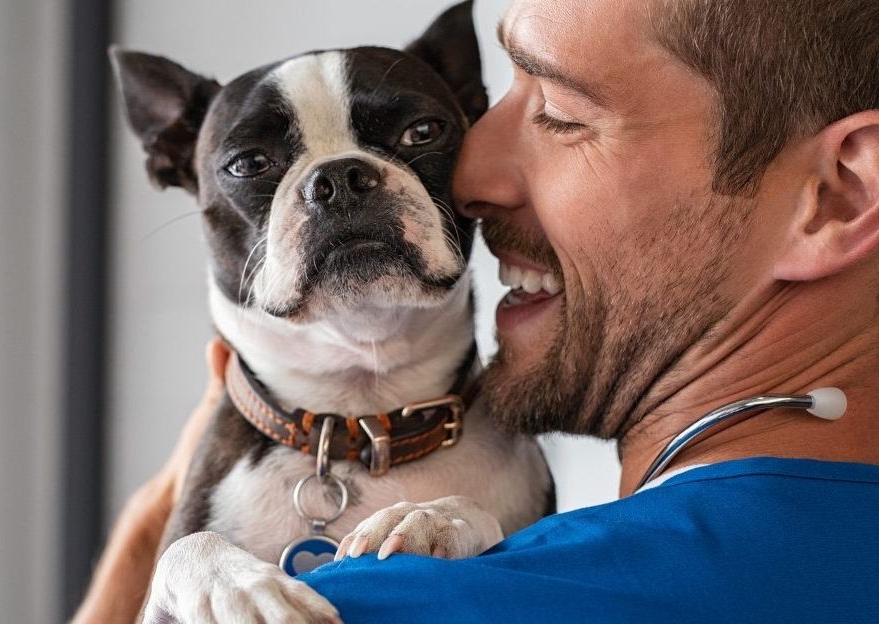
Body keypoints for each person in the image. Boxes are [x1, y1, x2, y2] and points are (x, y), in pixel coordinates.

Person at [75, 0, 879, 621]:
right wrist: (163, 533)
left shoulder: (387, 603)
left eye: (562, 113)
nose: (470, 172)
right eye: (498, 101)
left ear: (837, 197)